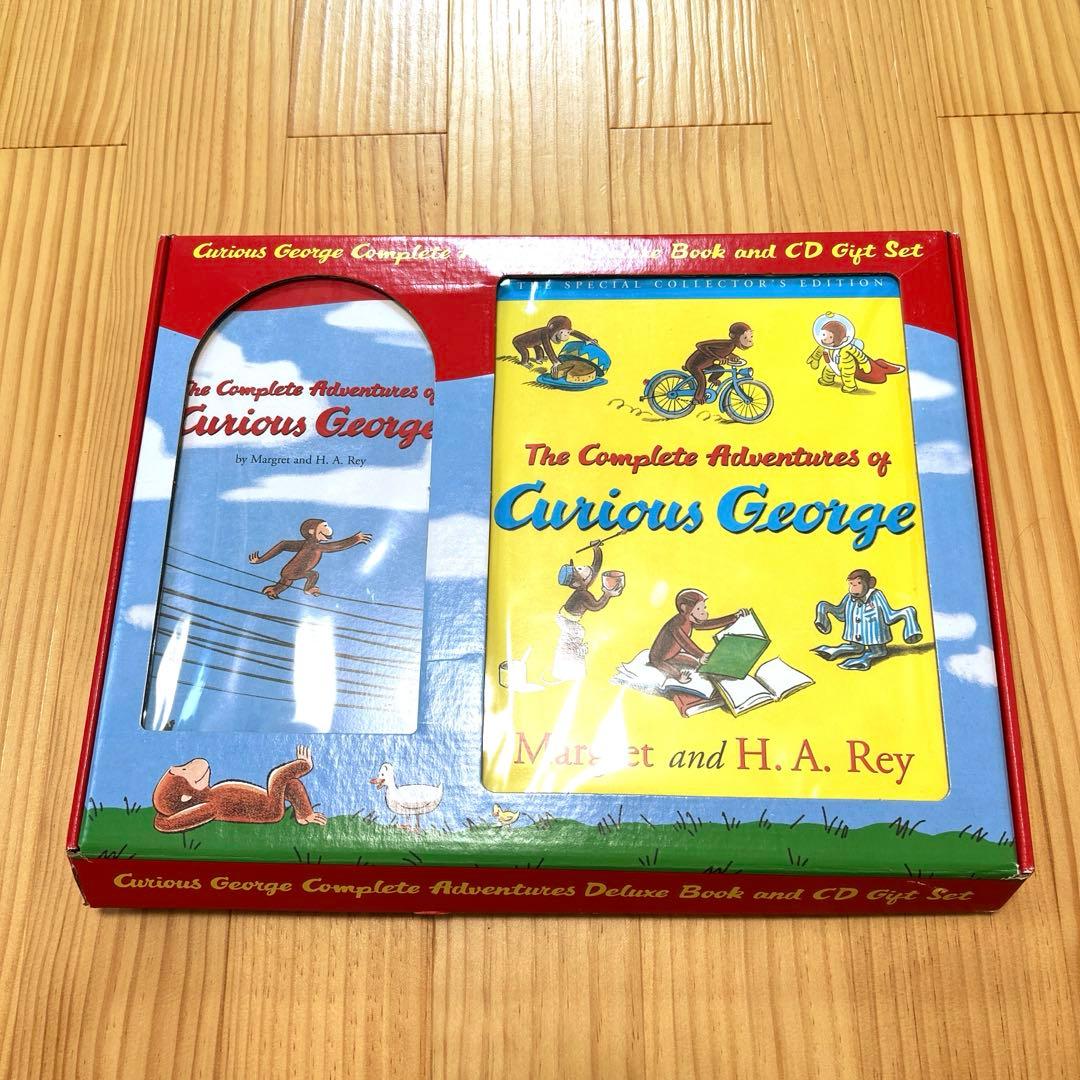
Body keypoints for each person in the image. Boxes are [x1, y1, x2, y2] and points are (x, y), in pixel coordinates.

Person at [813, 569, 922, 671]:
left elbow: (889, 616)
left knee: (878, 651)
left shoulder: (876, 596)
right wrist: (823, 608)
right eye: (851, 584)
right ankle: (837, 650)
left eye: (858, 583)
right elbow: (841, 613)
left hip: (874, 638)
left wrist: (908, 614)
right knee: (856, 647)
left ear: (870, 583)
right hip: (854, 637)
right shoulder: (849, 597)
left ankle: (865, 658)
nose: (853, 587)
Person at [552, 541, 619, 681]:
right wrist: (608, 594)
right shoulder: (582, 594)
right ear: (577, 581)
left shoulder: (582, 586)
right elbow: (596, 606)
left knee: (572, 646)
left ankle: (567, 672)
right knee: (572, 647)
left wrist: (596, 549)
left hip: (567, 620)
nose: (583, 567)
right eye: (579, 570)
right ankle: (568, 673)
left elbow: (595, 568)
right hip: (569, 624)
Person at [648, 589, 747, 682]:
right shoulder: (676, 624)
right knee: (679, 670)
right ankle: (679, 677)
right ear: (684, 608)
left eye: (703, 608)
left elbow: (709, 624)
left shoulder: (689, 620)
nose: (703, 612)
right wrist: (701, 655)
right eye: (698, 609)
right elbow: (685, 642)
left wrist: (734, 617)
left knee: (697, 664)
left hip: (674, 655)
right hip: (659, 659)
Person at [683, 322, 754, 405]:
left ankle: (712, 379)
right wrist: (718, 358)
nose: (749, 340)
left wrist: (732, 356)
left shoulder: (731, 346)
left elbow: (723, 352)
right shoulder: (726, 344)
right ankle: (697, 398)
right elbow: (700, 345)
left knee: (720, 369)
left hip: (706, 364)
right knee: (702, 381)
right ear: (732, 336)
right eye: (745, 337)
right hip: (695, 365)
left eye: (751, 337)